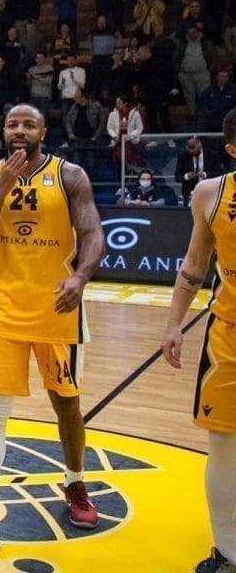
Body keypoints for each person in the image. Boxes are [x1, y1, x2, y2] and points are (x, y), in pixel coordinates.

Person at [0, 104, 104, 554]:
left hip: (57, 308)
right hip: (1, 308)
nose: (20, 130)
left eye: (29, 124)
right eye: (13, 124)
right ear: (4, 131)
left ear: (43, 132)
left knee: (67, 405)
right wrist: (3, 189)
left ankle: (75, 484)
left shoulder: (70, 176)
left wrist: (80, 277)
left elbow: (93, 233)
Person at [162, 108, 236, 573]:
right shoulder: (210, 193)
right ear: (232, 149)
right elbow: (194, 264)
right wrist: (173, 323)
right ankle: (227, 552)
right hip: (227, 334)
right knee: (224, 445)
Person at [176, 136, 226, 206]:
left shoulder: (211, 154)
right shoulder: (183, 156)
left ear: (200, 145)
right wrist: (186, 176)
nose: (191, 151)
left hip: (209, 190)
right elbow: (177, 177)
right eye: (189, 148)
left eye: (193, 147)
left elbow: (219, 174)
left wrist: (205, 174)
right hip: (190, 191)